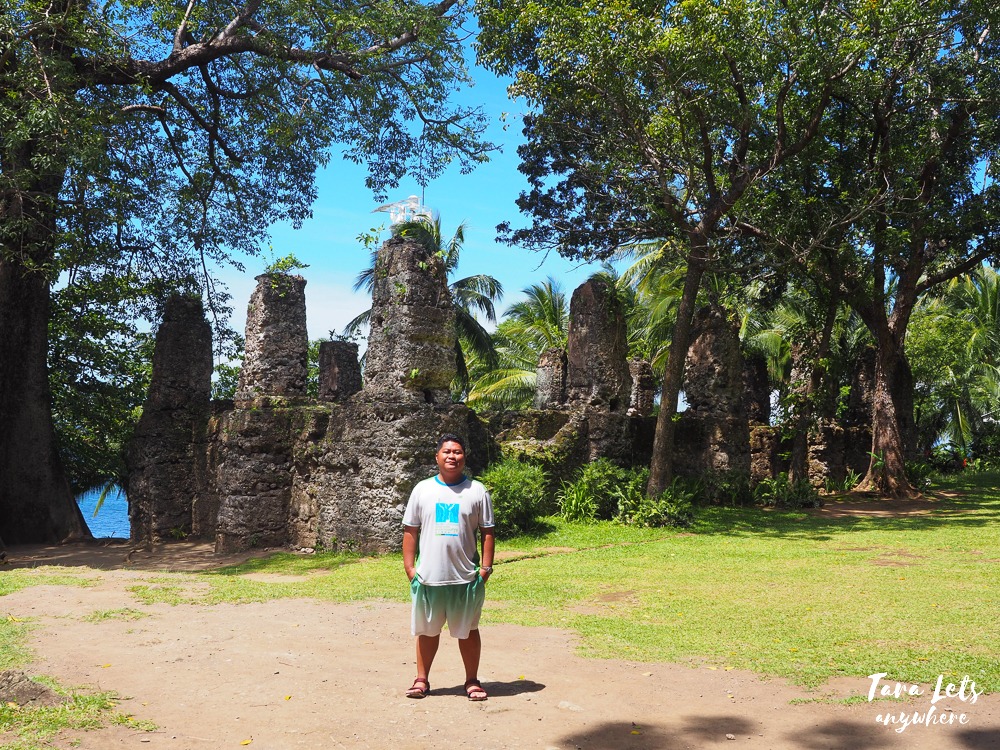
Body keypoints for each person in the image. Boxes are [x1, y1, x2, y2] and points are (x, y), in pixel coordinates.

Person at [402, 434, 495, 701]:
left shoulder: (477, 491)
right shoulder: (422, 490)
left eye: (457, 452)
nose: (452, 456)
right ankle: (421, 680)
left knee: (468, 630)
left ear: (464, 457)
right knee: (426, 630)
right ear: (437, 457)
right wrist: (410, 568)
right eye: (447, 452)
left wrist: (485, 569)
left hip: (465, 577)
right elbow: (410, 531)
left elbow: (487, 532)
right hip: (429, 577)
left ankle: (472, 681)